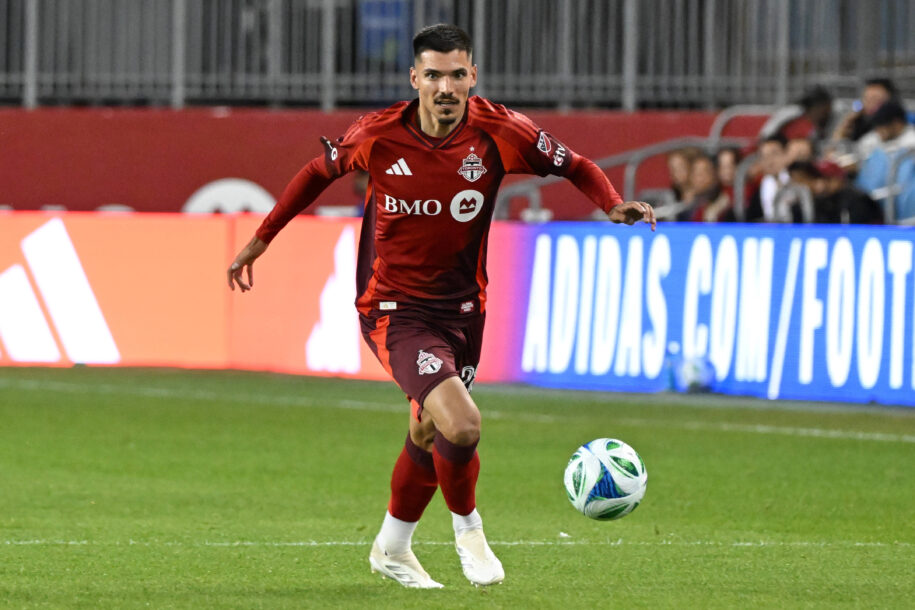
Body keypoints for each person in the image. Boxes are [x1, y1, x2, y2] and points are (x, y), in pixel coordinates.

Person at [226, 24, 656, 589]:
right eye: (433, 75)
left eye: (456, 75)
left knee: (429, 430)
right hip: (393, 309)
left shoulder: (502, 131)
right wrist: (260, 240)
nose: (446, 87)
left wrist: (612, 204)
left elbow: (574, 164)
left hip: (464, 310)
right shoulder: (377, 135)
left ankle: (392, 548)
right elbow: (315, 173)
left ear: (472, 76)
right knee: (463, 423)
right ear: (415, 79)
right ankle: (469, 533)